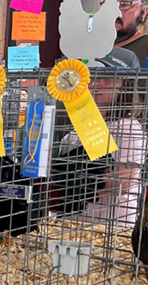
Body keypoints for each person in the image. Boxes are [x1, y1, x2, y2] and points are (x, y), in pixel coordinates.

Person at [58, 58, 146, 228]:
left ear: (124, 84)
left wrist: (68, 176)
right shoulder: (73, 133)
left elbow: (124, 182)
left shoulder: (128, 127)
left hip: (111, 228)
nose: (96, 83)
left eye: (107, 78)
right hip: (70, 225)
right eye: (90, 77)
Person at [102, 0, 148, 65]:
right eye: (108, 3)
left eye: (125, 4)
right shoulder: (79, 46)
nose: (113, 12)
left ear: (144, 12)